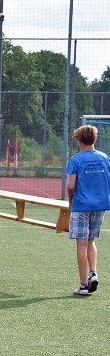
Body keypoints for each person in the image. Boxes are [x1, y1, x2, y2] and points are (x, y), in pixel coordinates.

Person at [66, 125, 110, 296]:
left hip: (81, 205)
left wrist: (70, 201)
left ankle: (83, 285)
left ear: (79, 140)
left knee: (81, 244)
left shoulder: (76, 159)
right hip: (100, 206)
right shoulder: (105, 158)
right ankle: (93, 272)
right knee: (91, 240)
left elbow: (71, 186)